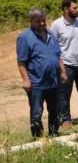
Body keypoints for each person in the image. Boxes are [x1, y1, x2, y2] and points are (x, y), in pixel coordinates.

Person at [16, 8, 68, 137]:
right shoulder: (24, 37)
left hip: (54, 81)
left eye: (44, 20)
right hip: (36, 83)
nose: (42, 23)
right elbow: (21, 62)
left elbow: (58, 55)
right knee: (36, 112)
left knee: (55, 110)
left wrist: (63, 72)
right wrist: (26, 80)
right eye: (38, 21)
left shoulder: (51, 35)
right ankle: (38, 138)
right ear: (31, 21)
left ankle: (54, 134)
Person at [51, 0, 78, 128]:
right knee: (64, 93)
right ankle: (65, 118)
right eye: (74, 8)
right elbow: (53, 46)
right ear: (65, 9)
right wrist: (59, 64)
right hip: (66, 65)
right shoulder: (56, 25)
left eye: (77, 7)